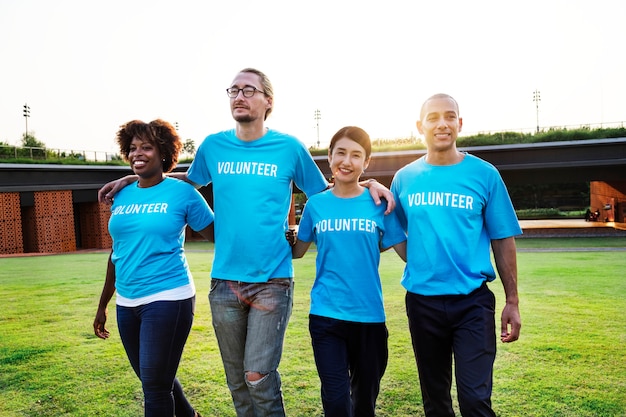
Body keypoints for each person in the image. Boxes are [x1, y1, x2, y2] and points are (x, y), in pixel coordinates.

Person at [97, 68, 395, 417]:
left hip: (272, 281)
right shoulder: (213, 146)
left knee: (258, 376)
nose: (239, 96)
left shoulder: (289, 148)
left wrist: (370, 184)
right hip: (224, 282)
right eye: (234, 90)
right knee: (237, 381)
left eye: (249, 90)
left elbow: (329, 193)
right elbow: (182, 181)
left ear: (268, 101)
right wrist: (129, 179)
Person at [390, 94, 522, 417]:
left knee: (475, 400)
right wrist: (422, 259)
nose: (442, 124)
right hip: (422, 304)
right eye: (433, 118)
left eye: (450, 116)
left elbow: (503, 239)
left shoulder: (485, 175)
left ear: (459, 124)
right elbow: (396, 231)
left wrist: (513, 301)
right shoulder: (404, 179)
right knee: (436, 403)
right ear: (420, 127)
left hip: (472, 304)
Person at [93, 119, 214, 417]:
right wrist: (103, 304)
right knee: (156, 380)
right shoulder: (121, 194)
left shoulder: (183, 194)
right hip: (127, 302)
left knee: (155, 389)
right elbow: (116, 252)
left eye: (146, 147)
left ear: (163, 152)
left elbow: (219, 237)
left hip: (169, 297)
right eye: (133, 148)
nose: (138, 153)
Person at [289, 126, 406, 417]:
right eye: (340, 152)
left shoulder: (380, 204)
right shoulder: (316, 205)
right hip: (326, 316)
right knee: (337, 402)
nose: (347, 161)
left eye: (356, 155)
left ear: (366, 163)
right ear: (329, 157)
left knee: (364, 403)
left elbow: (409, 254)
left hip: (369, 317)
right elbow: (298, 251)